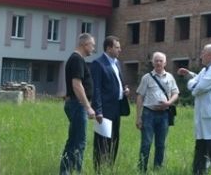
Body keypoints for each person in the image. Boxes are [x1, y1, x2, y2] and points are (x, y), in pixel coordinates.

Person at [181, 44, 211, 175]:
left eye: (203, 53)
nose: (201, 56)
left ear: (210, 55)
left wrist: (195, 87)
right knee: (200, 147)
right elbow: (195, 82)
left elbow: (200, 88)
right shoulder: (206, 69)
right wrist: (194, 83)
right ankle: (198, 172)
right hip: (202, 116)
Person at [90, 35, 130, 172]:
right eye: (117, 47)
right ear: (108, 48)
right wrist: (98, 110)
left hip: (117, 108)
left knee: (114, 139)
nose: (120, 50)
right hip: (105, 110)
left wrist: (124, 90)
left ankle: (109, 168)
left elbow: (117, 82)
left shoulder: (117, 63)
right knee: (102, 141)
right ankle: (98, 170)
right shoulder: (98, 64)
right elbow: (96, 89)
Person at [59, 33, 97, 175]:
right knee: (78, 141)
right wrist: (88, 107)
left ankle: (67, 171)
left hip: (76, 104)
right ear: (84, 44)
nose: (93, 48)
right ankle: (72, 171)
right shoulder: (77, 59)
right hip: (78, 105)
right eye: (92, 45)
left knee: (74, 140)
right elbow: (77, 84)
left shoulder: (77, 59)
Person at [136, 51, 179, 172]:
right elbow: (140, 96)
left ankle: (157, 170)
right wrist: (138, 117)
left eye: (161, 61)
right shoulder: (147, 78)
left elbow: (176, 93)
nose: (158, 63)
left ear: (165, 63)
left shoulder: (170, 77)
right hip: (148, 114)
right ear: (152, 63)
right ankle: (142, 170)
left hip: (164, 115)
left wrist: (169, 103)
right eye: (156, 61)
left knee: (161, 144)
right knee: (146, 143)